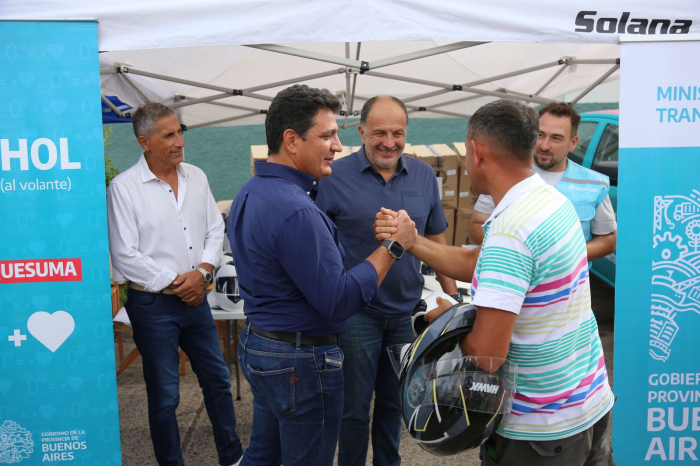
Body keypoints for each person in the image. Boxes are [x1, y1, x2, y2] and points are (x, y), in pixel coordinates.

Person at [375, 99, 615, 465]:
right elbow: (478, 261)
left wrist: (443, 318)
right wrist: (412, 242)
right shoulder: (549, 200)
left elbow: (486, 355)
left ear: (476, 151)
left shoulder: (511, 231)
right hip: (588, 402)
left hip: (541, 430)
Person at [228, 84, 418, 466]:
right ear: (292, 141)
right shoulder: (297, 209)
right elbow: (339, 302)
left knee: (261, 456)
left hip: (263, 345)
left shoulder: (250, 192)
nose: (337, 146)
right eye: (328, 135)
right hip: (299, 358)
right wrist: (393, 247)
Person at [315, 95, 458, 466]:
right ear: (361, 131)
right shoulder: (333, 177)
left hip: (406, 313)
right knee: (354, 408)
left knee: (397, 405)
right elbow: (316, 244)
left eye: (398, 133)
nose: (389, 142)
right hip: (355, 314)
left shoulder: (424, 176)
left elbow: (439, 239)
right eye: (379, 133)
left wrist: (454, 296)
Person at [107, 102, 243, 466]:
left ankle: (233, 458)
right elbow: (125, 254)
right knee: (165, 396)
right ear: (144, 141)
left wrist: (202, 272)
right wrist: (179, 282)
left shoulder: (196, 176)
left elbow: (215, 228)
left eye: (179, 131)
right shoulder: (124, 188)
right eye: (168, 135)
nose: (179, 140)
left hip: (196, 298)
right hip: (152, 306)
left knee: (217, 381)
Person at [468, 102, 617, 264]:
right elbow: (476, 228)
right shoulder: (506, 172)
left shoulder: (594, 183)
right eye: (540, 135)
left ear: (573, 143)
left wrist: (568, 252)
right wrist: (517, 247)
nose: (545, 146)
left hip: (568, 286)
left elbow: (609, 239)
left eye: (556, 138)